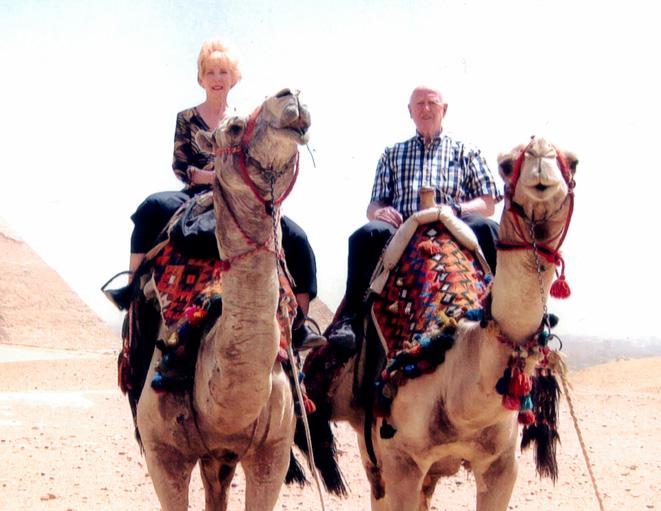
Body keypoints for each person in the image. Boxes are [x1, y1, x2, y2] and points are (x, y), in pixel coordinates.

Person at [109, 39, 323, 349]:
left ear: (233, 77)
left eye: (223, 72)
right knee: (151, 207)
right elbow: (181, 166)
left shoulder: (246, 121)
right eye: (210, 72)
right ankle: (131, 290)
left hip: (241, 198)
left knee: (297, 237)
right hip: (196, 194)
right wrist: (214, 177)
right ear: (201, 78)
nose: (217, 78)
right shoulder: (186, 118)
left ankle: (299, 325)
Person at [328, 85, 502, 349]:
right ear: (410, 112)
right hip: (405, 228)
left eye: (432, 103)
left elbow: (487, 202)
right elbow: (374, 203)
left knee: (488, 227)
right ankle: (350, 318)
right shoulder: (392, 154)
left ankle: (503, 307)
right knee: (366, 234)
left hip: (454, 223)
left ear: (444, 110)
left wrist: (457, 209)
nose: (426, 109)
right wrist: (379, 212)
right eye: (419, 104)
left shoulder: (467, 152)